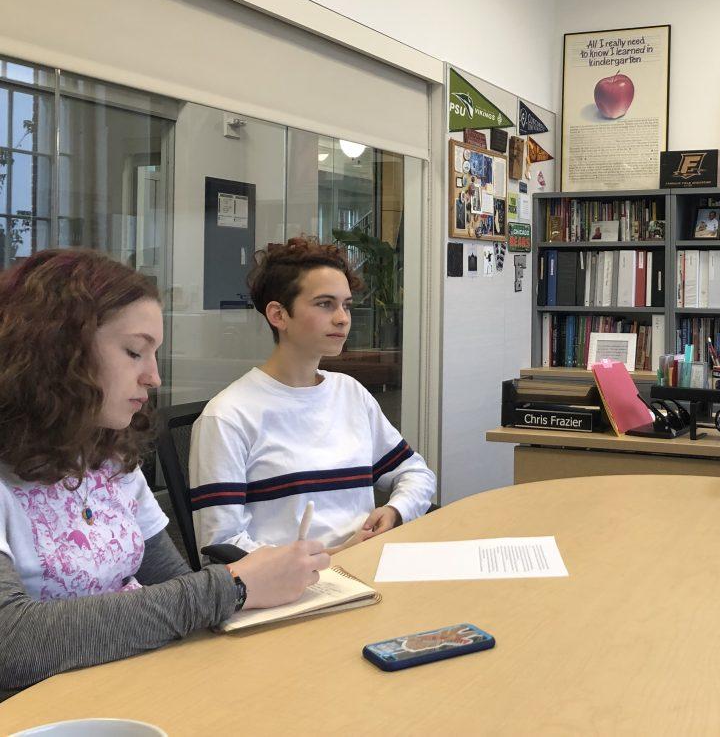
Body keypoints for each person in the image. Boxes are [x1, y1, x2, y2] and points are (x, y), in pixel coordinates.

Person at [0, 249, 328, 699]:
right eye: (134, 351)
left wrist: (240, 587)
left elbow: (174, 586)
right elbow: (11, 642)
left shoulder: (109, 457)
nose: (154, 376)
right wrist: (232, 587)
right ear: (57, 351)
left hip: (139, 685)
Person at [190, 237, 435, 556]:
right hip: (288, 593)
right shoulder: (228, 416)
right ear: (278, 315)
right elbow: (220, 547)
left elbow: (415, 473)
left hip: (367, 569)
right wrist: (324, 559)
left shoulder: (351, 394)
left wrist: (396, 510)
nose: (343, 318)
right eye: (325, 304)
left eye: (346, 304)